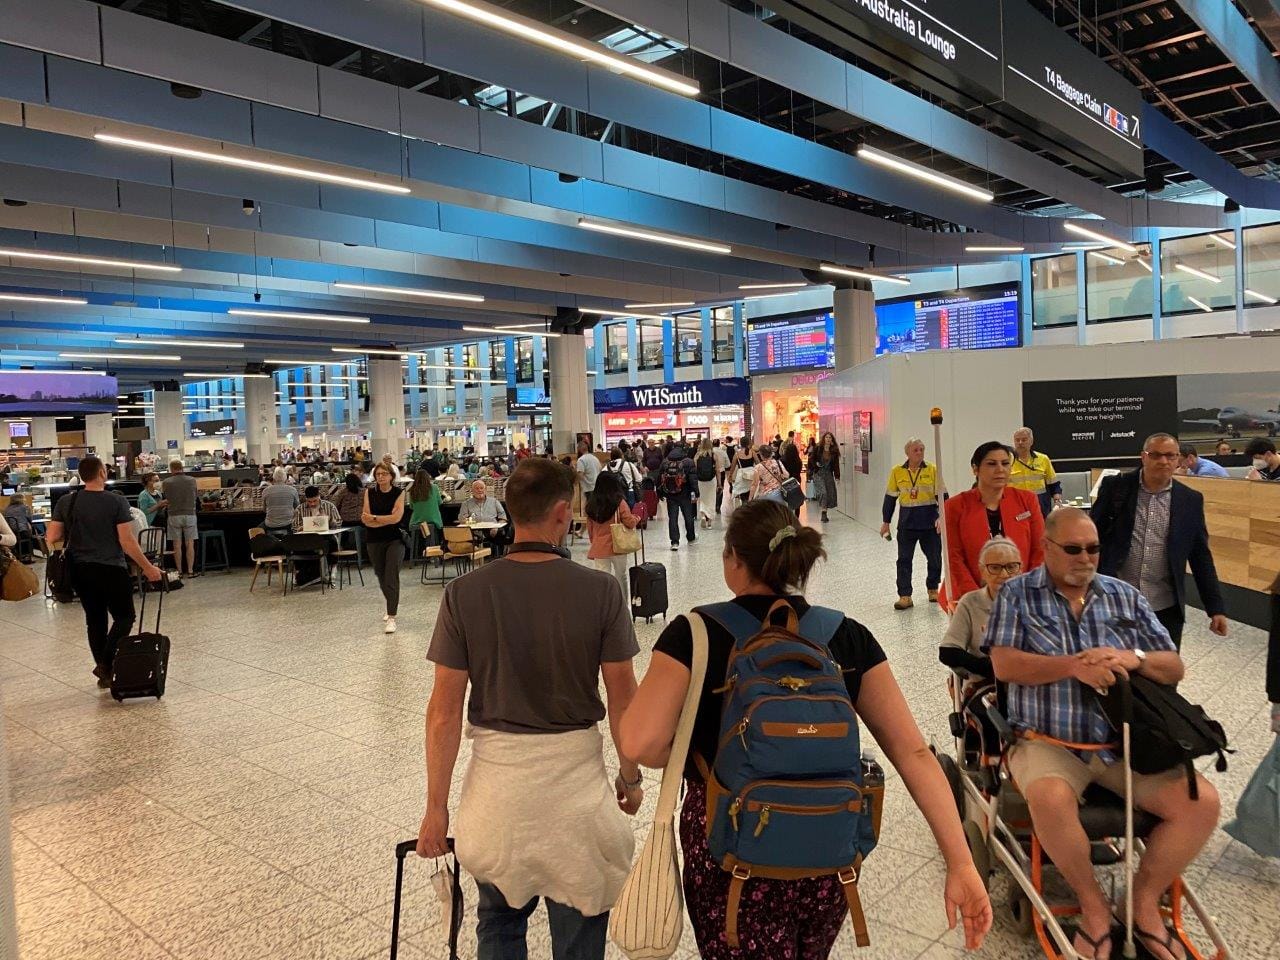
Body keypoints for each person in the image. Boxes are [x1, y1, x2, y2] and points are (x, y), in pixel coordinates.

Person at [617, 500, 992, 959]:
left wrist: (689, 753)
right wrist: (960, 861)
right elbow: (914, 753)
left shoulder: (695, 633)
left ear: (733, 560)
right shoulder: (846, 635)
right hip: (826, 849)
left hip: (730, 851)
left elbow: (639, 741)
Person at [416, 458, 642, 960]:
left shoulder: (462, 594)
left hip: (497, 803)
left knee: (497, 922)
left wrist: (436, 809)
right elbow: (624, 697)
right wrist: (629, 777)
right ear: (562, 513)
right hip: (576, 804)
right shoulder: (601, 592)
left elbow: (443, 713)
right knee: (582, 922)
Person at [985, 508, 1219, 960]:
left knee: (1201, 804)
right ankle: (1093, 907)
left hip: (1122, 744)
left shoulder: (1123, 596)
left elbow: (1174, 667)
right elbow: (1005, 665)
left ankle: (1142, 900)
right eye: (1073, 549)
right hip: (1046, 741)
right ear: (1048, 548)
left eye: (1092, 548)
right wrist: (1072, 666)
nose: (1085, 557)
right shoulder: (1016, 595)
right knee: (1052, 800)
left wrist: (1132, 658)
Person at [1091, 433, 1227, 649]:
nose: (1163, 461)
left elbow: (1200, 556)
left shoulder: (1190, 500)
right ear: (1143, 457)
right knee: (1113, 673)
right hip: (1113, 602)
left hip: (1164, 608)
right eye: (1155, 455)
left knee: (1161, 676)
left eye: (1170, 456)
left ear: (1178, 460)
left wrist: (1215, 608)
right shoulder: (1116, 487)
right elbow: (1091, 538)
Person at [45, 457, 164, 688]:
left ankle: (104, 671)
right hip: (111, 567)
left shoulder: (67, 502)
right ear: (101, 472)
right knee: (125, 616)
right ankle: (107, 663)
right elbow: (127, 541)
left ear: (81, 475)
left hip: (80, 569)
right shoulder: (116, 502)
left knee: (95, 620)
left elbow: (51, 537)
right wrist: (147, 567)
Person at [943, 441, 1044, 607]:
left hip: (1023, 594)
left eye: (1005, 463)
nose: (1000, 469)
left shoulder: (1027, 500)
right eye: (991, 464)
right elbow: (954, 557)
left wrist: (1029, 590)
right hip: (973, 595)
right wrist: (976, 600)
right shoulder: (955, 506)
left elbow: (1039, 550)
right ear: (975, 469)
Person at [939, 536, 1021, 680]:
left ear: (1020, 569)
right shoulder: (970, 602)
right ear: (982, 571)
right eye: (995, 568)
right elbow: (948, 652)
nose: (1004, 574)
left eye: (1011, 567)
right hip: (985, 682)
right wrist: (989, 668)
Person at [881, 437, 942, 611]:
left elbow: (942, 496)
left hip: (930, 524)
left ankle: (932, 588)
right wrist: (886, 522)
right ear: (907, 452)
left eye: (922, 449)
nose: (920, 453)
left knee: (935, 558)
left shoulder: (933, 470)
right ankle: (905, 595)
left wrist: (942, 517)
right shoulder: (897, 472)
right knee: (904, 560)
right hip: (907, 525)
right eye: (916, 450)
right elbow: (890, 498)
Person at [361, 462, 405, 634]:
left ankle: (392, 616)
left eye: (384, 474)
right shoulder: (369, 492)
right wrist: (383, 519)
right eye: (378, 474)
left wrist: (375, 519)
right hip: (373, 540)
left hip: (395, 539)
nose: (381, 477)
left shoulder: (399, 493)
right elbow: (365, 518)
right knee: (380, 575)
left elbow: (396, 518)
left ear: (391, 476)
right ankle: (390, 604)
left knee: (391, 574)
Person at [585, 471, 639, 602]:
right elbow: (629, 522)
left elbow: (590, 528)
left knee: (603, 578)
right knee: (621, 576)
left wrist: (595, 541)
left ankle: (605, 605)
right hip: (618, 546)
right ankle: (623, 604)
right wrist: (637, 518)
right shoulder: (619, 502)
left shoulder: (591, 503)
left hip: (599, 547)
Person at [1009, 427, 1062, 517]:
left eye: (1024, 439)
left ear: (1031, 441)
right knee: (1020, 529)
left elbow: (1054, 485)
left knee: (1041, 530)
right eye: (1017, 440)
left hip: (1040, 507)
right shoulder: (1007, 461)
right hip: (1017, 506)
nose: (1020, 443)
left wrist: (1057, 501)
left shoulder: (1043, 459)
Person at [161, 460, 199, 579]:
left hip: (173, 515)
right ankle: (191, 571)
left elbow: (165, 497)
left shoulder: (166, 482)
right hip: (190, 514)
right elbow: (196, 495)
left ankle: (179, 571)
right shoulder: (192, 480)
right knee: (190, 544)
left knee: (176, 545)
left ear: (171, 469)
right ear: (182, 468)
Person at [660, 443, 699, 551]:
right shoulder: (688, 462)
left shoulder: (665, 462)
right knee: (688, 516)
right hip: (685, 494)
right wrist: (696, 492)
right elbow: (693, 480)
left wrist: (660, 494)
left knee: (673, 518)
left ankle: (674, 542)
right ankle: (691, 538)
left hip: (670, 494)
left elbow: (659, 478)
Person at [809, 431, 841, 523]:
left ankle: (825, 512)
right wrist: (816, 464)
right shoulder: (818, 448)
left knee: (829, 494)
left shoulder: (834, 451)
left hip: (828, 474)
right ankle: (823, 513)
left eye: (830, 438)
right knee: (823, 492)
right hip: (818, 474)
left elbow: (836, 465)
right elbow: (811, 459)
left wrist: (837, 477)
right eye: (826, 437)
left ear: (832, 440)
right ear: (824, 439)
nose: (828, 439)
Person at [406, 469, 444, 547]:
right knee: (436, 531)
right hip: (433, 519)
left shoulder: (412, 490)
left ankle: (418, 552)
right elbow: (440, 502)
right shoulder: (434, 487)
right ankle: (434, 553)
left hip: (416, 521)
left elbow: (411, 506)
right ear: (427, 477)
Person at [263, 467, 300, 537]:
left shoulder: (265, 491)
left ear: (273, 479)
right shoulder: (293, 490)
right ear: (286, 479)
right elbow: (297, 508)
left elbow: (264, 510)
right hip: (288, 524)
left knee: (259, 527)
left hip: (270, 525)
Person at [694, 438, 719, 529]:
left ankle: (703, 516)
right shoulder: (713, 455)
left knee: (703, 499)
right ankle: (709, 524)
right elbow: (718, 471)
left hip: (701, 480)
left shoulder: (697, 456)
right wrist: (719, 484)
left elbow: (695, 470)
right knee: (711, 500)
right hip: (711, 480)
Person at [727, 437, 756, 508]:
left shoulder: (737, 454)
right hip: (752, 476)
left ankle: (745, 509)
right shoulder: (752, 452)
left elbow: (732, 467)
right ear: (749, 443)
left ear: (740, 443)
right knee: (751, 493)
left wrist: (730, 476)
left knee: (743, 494)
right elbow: (758, 463)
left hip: (742, 476)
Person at [712, 438, 729, 515]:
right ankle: (718, 506)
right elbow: (728, 464)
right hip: (721, 472)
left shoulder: (710, 452)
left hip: (711, 473)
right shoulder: (723, 452)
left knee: (712, 489)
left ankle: (712, 505)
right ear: (719, 444)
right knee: (720, 488)